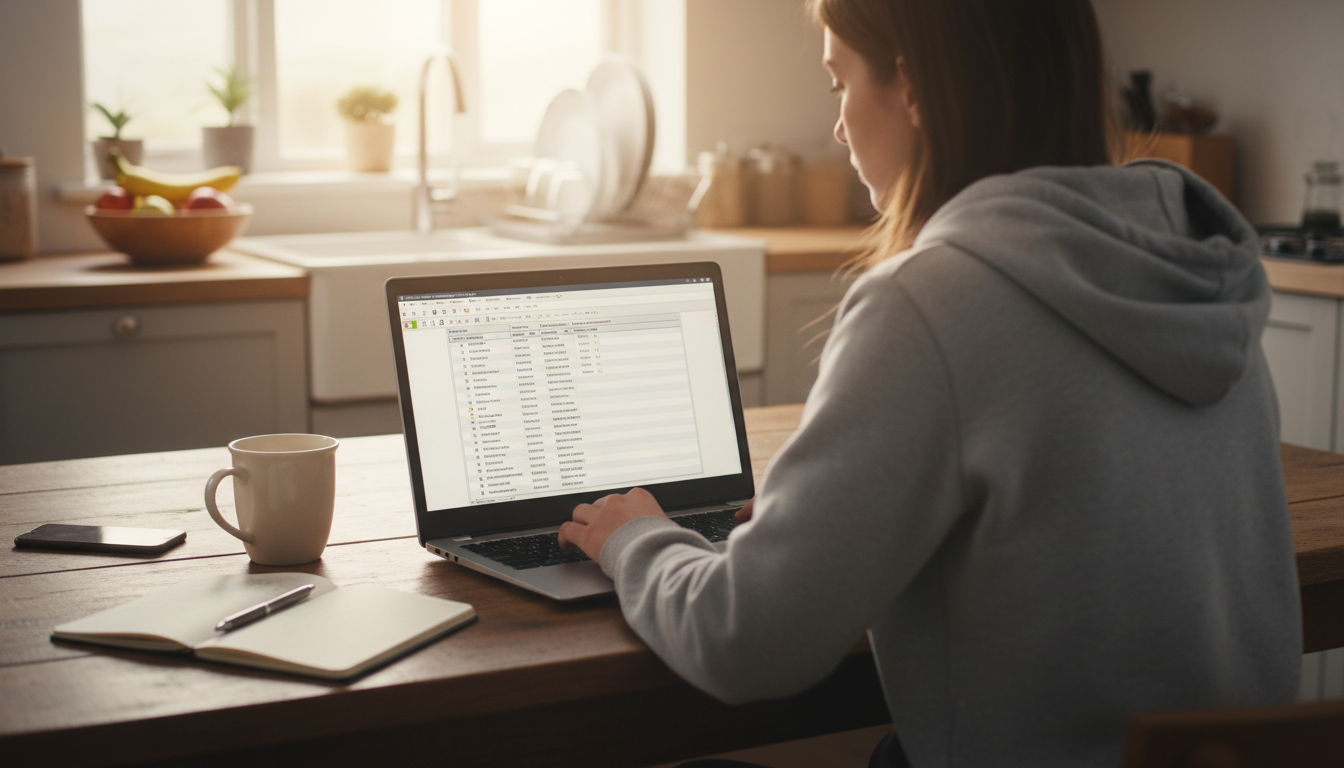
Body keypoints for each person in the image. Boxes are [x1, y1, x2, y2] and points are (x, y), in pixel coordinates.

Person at [557, 0, 1303, 765]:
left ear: (911, 87)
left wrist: (635, 540)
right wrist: (818, 519)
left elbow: (745, 641)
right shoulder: (1196, 270)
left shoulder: (931, 301)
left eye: (838, 81)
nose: (840, 126)